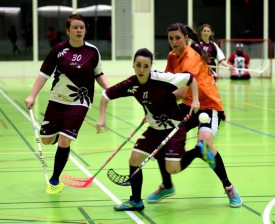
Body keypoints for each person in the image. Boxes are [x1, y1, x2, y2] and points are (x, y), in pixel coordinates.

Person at [96, 48, 216, 211]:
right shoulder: (131, 84)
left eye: (146, 66)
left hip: (173, 127)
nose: (141, 70)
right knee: (134, 160)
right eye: (138, 65)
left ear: (151, 66)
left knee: (173, 169)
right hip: (154, 129)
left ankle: (198, 151)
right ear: (133, 65)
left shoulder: (162, 78)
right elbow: (106, 95)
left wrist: (195, 100)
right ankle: (136, 200)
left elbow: (190, 78)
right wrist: (102, 118)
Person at [146, 23, 242, 208]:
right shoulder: (172, 56)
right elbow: (168, 82)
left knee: (205, 146)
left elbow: (181, 90)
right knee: (160, 136)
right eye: (170, 38)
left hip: (208, 106)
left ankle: (228, 187)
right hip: (189, 105)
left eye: (178, 38)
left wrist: (159, 103)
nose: (174, 42)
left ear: (186, 38)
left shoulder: (190, 57)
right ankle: (167, 185)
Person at [24, 14, 110, 194]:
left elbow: (98, 74)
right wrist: (32, 96)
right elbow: (44, 74)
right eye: (75, 27)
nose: (79, 30)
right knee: (47, 140)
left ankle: (55, 179)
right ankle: (59, 135)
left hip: (81, 100)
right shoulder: (59, 49)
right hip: (57, 99)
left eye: (82, 27)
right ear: (68, 31)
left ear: (85, 30)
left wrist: (109, 89)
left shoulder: (92, 51)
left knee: (65, 140)